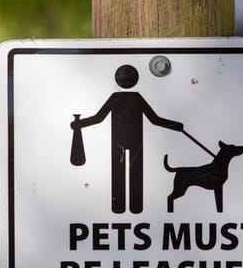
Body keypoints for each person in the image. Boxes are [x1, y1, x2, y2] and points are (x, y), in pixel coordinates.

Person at [71, 64, 183, 213]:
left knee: (125, 174)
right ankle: (132, 207)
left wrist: (79, 123)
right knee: (131, 174)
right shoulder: (135, 98)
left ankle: (120, 207)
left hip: (123, 142)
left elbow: (98, 118)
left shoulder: (117, 97)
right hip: (129, 143)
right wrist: (176, 126)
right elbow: (155, 120)